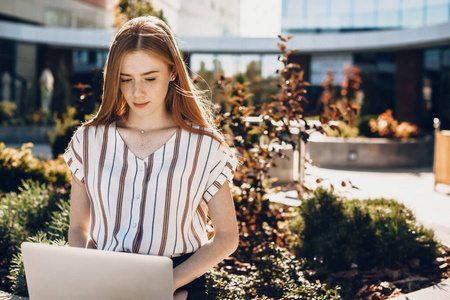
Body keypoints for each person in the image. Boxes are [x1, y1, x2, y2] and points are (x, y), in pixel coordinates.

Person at [63, 16, 239, 299]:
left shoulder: (205, 146)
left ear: (172, 72)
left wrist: (166, 284)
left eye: (150, 77)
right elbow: (77, 228)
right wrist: (89, 274)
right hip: (106, 282)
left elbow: (227, 237)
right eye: (125, 79)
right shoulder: (89, 141)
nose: (137, 92)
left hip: (178, 285)